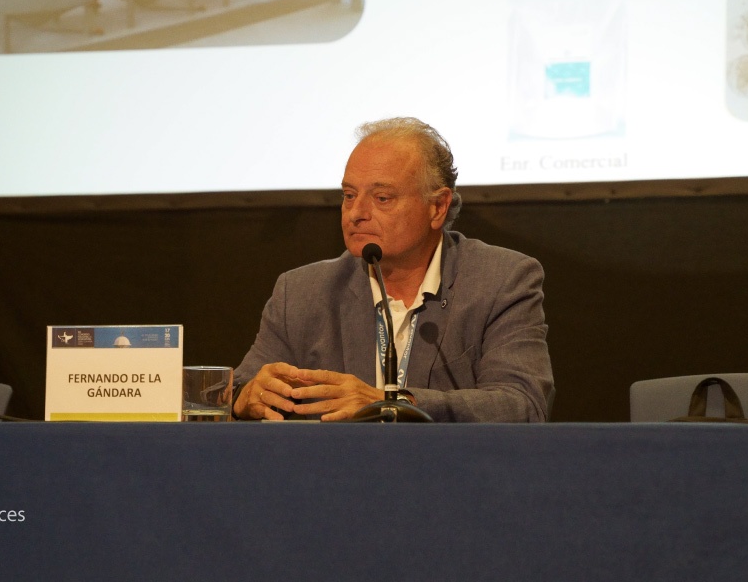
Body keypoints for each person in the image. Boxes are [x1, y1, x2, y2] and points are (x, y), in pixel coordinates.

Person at [230, 117, 553, 422]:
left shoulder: (501, 281)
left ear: (438, 207)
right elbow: (238, 389)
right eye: (349, 195)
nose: (356, 213)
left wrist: (397, 404)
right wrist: (245, 398)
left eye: (382, 198)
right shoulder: (302, 292)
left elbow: (523, 404)